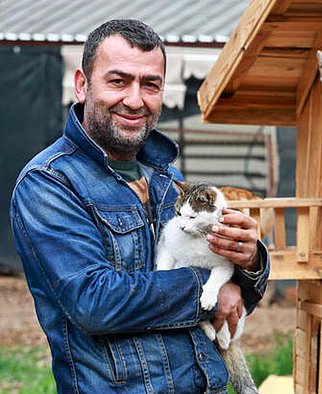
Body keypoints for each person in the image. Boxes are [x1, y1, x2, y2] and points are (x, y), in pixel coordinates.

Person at [10, 19, 269, 393]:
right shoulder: (49, 183)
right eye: (118, 81)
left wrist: (248, 262)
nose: (135, 100)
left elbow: (229, 290)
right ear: (82, 85)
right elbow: (96, 302)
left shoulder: (166, 177)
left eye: (150, 84)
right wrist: (209, 288)